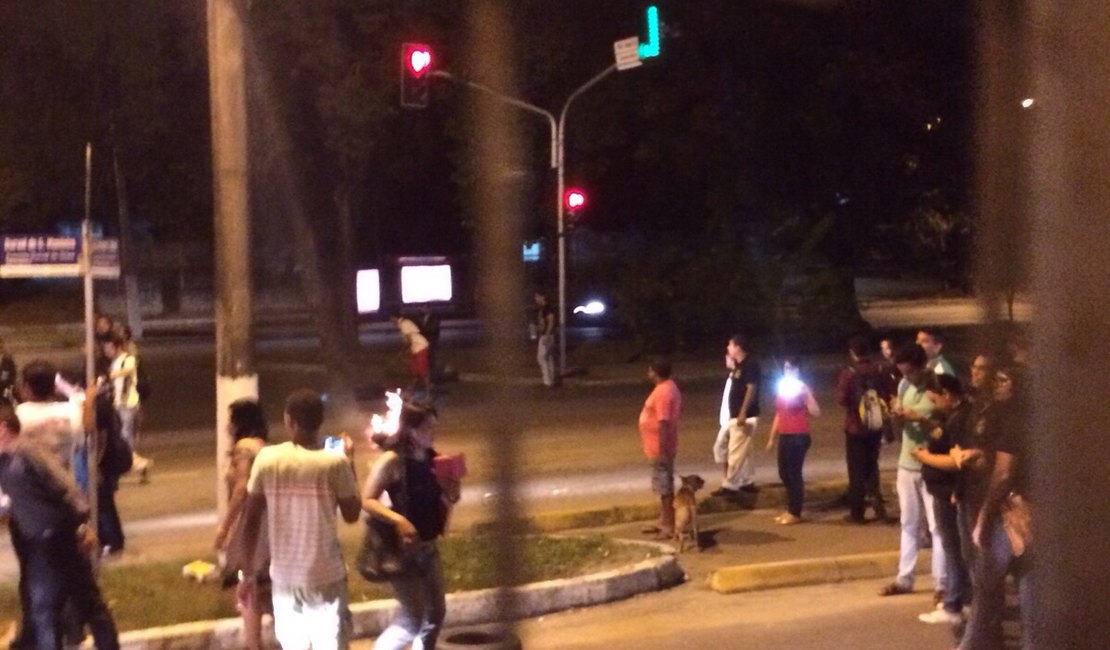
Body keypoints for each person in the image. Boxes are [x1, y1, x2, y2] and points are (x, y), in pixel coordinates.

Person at [238, 389, 361, 650]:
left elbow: (250, 519)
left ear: (289, 421)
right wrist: (350, 462)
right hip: (326, 579)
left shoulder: (267, 459)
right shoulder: (334, 462)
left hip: (284, 580)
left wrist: (247, 574)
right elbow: (352, 515)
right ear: (320, 421)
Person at [0, 403, 120, 650]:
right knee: (54, 606)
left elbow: (65, 488)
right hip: (39, 542)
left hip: (58, 537)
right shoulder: (5, 461)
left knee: (66, 604)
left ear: (2, 429)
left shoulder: (29, 452)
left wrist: (83, 525)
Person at [363, 402, 453, 650]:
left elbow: (445, 500)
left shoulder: (434, 459)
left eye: (434, 427)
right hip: (401, 551)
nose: (433, 433)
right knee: (413, 619)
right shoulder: (392, 461)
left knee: (436, 613)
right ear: (410, 430)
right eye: (427, 428)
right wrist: (399, 521)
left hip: (428, 547)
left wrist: (451, 490)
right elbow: (367, 500)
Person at [955, 367, 1033, 650]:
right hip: (1031, 508)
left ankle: (974, 643)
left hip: (1011, 511)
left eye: (1004, 380)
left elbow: (1003, 474)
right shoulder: (1032, 419)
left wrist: (984, 519)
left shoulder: (1014, 422)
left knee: (987, 583)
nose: (997, 385)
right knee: (1026, 579)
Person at [878, 344, 948, 602]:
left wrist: (920, 419)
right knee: (908, 523)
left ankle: (942, 583)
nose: (906, 377)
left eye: (910, 372)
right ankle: (904, 578)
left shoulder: (938, 387)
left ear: (922, 367)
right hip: (907, 463)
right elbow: (899, 432)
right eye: (902, 373)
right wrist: (896, 415)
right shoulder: (904, 386)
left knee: (937, 526)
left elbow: (946, 428)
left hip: (932, 464)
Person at [910, 374, 973, 628]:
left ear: (947, 393)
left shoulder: (959, 418)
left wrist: (924, 457)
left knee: (953, 549)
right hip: (945, 490)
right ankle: (962, 600)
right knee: (955, 548)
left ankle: (954, 604)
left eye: (935, 400)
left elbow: (956, 460)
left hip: (949, 492)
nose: (934, 405)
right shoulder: (954, 416)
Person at [214, 399, 271, 650]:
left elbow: (240, 490)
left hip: (251, 521)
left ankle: (253, 644)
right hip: (268, 521)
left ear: (239, 422)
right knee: (264, 585)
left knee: (248, 586)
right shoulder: (264, 446)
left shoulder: (244, 447)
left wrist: (225, 527)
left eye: (231, 420)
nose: (228, 426)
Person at [836, 336, 891, 523]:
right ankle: (877, 505)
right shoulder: (880, 370)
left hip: (855, 426)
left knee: (856, 470)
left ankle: (857, 512)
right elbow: (887, 393)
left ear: (853, 353)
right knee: (872, 465)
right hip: (875, 424)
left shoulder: (849, 373)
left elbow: (842, 399)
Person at [765, 357, 819, 524]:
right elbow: (779, 414)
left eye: (791, 368)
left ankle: (795, 512)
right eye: (785, 368)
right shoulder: (783, 388)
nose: (787, 371)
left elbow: (816, 412)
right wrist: (771, 438)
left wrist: (807, 395)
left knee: (794, 474)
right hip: (785, 435)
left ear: (798, 370)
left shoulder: (802, 388)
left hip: (798, 435)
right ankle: (791, 508)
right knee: (784, 472)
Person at [637, 358, 683, 539]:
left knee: (665, 488)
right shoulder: (668, 387)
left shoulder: (664, 391)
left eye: (650, 370)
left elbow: (663, 422)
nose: (648, 373)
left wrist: (663, 449)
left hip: (660, 448)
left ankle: (668, 526)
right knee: (663, 485)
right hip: (658, 446)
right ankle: (663, 521)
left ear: (655, 373)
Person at [710, 333, 761, 498]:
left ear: (738, 347)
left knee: (735, 452)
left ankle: (730, 485)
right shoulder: (739, 366)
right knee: (738, 450)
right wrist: (732, 368)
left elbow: (751, 388)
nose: (728, 348)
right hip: (734, 417)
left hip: (744, 417)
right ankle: (746, 481)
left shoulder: (750, 364)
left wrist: (743, 411)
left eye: (730, 345)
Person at [102, 333, 152, 481]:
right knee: (122, 438)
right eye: (105, 348)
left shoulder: (128, 359)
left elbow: (128, 370)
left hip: (128, 404)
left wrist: (111, 375)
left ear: (117, 348)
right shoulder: (115, 362)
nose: (107, 351)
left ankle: (137, 464)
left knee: (124, 438)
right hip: (119, 404)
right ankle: (139, 465)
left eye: (109, 348)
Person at [389, 308, 432, 397]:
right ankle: (411, 391)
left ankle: (428, 395)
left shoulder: (404, 324)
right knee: (414, 371)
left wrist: (404, 350)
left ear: (394, 318)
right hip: (415, 348)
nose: (391, 322)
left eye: (391, 319)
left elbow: (408, 340)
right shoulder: (402, 324)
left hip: (420, 347)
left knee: (423, 372)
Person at [533, 291, 557, 388]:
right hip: (547, 335)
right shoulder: (543, 309)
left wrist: (546, 334)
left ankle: (547, 381)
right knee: (548, 358)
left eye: (537, 297)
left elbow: (551, 321)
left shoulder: (547, 308)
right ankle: (551, 379)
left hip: (547, 336)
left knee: (542, 358)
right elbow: (543, 323)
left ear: (542, 297)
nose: (535, 299)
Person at [0, 337, 16, 405]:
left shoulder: (7, 358)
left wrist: (11, 386)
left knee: (5, 401)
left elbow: (12, 373)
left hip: (5, 387)